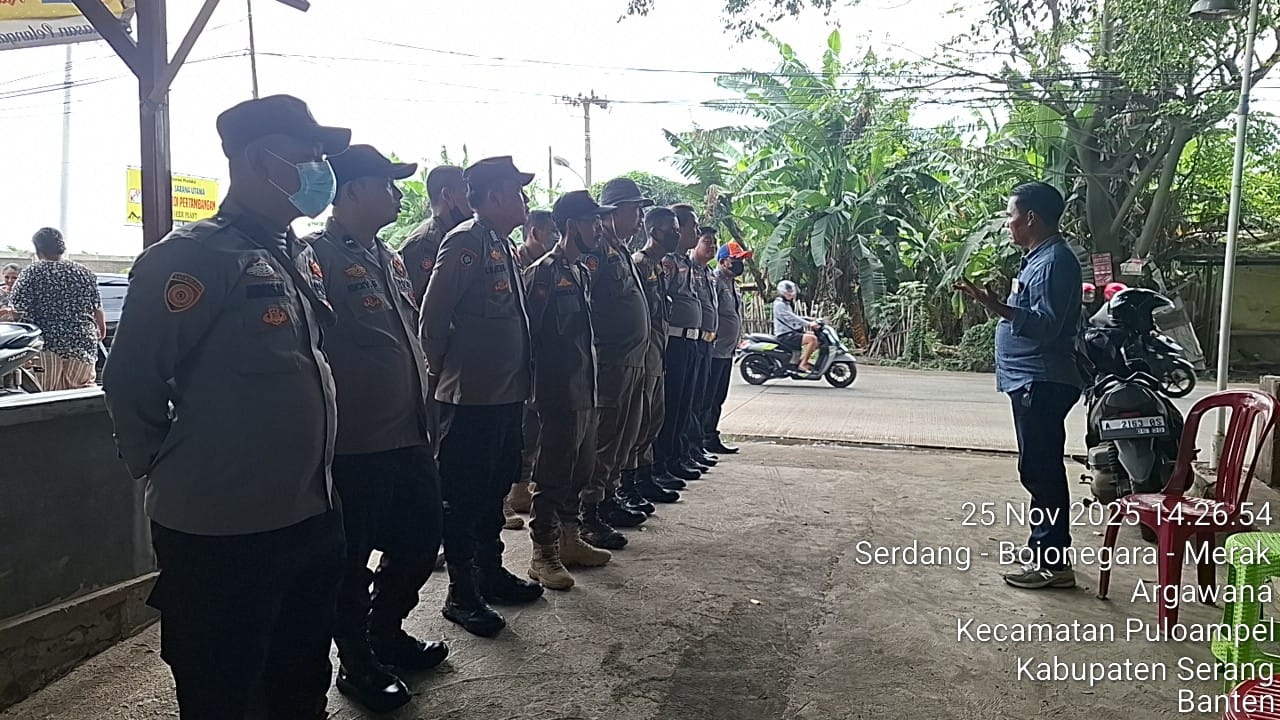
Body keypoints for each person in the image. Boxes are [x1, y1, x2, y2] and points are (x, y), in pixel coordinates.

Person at [101, 94, 350, 720]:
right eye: (308, 156)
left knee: (301, 674)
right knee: (223, 687)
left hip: (310, 510)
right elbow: (131, 381)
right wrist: (173, 468)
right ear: (257, 161)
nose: (321, 170)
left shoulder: (295, 253)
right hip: (222, 530)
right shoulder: (190, 257)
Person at [304, 145, 446, 713]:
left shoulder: (387, 256)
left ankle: (386, 630)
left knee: (421, 538)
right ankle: (356, 661)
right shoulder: (317, 257)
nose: (396, 194)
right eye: (386, 184)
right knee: (351, 558)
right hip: (357, 443)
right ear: (354, 190)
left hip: (408, 432)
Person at [419, 156, 544, 638]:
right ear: (493, 196)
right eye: (517, 191)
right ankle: (461, 592)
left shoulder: (502, 244)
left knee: (494, 489)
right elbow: (433, 316)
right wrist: (441, 373)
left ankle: (489, 572)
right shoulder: (466, 241)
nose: (525, 201)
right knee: (464, 495)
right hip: (470, 397)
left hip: (505, 394)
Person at [954, 181, 1082, 591]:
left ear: (1031, 218)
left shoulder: (1053, 262)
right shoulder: (1039, 259)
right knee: (1038, 469)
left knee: (1042, 472)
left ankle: (1053, 563)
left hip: (1041, 379)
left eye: (1010, 216)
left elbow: (1046, 326)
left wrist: (996, 307)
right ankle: (1046, 553)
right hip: (1031, 379)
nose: (1007, 224)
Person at [522, 190, 617, 589]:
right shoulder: (543, 273)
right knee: (552, 475)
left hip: (585, 391)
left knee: (581, 470)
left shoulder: (581, 272)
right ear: (573, 225)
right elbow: (528, 338)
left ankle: (570, 539)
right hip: (556, 394)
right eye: (593, 221)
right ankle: (543, 553)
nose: (599, 228)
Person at [577, 177, 655, 549]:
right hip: (611, 362)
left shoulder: (620, 250)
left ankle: (609, 498)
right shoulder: (597, 252)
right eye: (634, 210)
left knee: (625, 437)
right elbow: (587, 306)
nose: (639, 218)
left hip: (632, 361)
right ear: (613, 212)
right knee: (604, 438)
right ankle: (589, 513)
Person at [627, 208, 683, 504]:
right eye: (671, 229)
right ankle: (628, 483)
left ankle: (645, 475)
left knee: (654, 418)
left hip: (659, 349)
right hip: (643, 351)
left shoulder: (660, 267)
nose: (677, 233)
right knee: (639, 419)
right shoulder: (638, 263)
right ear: (654, 232)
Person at [506, 209, 559, 525]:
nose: (556, 238)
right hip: (515, 362)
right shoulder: (517, 261)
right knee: (518, 429)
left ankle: (521, 486)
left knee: (533, 427)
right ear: (535, 233)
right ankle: (508, 493)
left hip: (538, 362)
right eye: (552, 232)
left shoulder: (547, 266)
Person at [9, 228, 105, 391]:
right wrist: (100, 329)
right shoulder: (84, 272)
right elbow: (97, 308)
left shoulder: (31, 272)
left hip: (46, 347)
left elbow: (18, 309)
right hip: (82, 345)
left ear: (38, 249)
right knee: (82, 393)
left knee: (47, 393)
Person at [655, 204, 707, 484]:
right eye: (692, 227)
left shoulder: (687, 263)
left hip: (691, 341)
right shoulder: (668, 262)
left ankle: (679, 456)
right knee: (671, 405)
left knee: (685, 404)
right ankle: (662, 463)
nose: (696, 232)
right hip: (674, 340)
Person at [704, 240, 752, 455]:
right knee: (708, 398)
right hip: (715, 350)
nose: (739, 264)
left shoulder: (733, 285)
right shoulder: (715, 281)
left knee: (718, 398)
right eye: (735, 260)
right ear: (723, 262)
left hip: (727, 351)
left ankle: (711, 435)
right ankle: (702, 438)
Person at [401, 165, 469, 308]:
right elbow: (414, 306)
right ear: (447, 196)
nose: (472, 200)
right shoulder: (422, 244)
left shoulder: (464, 236)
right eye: (466, 191)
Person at [682, 227, 721, 472]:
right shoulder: (685, 267)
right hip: (690, 340)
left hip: (707, 342)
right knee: (687, 401)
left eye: (714, 242)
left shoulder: (708, 273)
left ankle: (694, 448)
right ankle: (683, 452)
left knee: (700, 399)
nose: (712, 246)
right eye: (707, 241)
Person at [772, 280, 819, 372]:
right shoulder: (780, 304)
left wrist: (809, 318)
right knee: (812, 339)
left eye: (791, 292)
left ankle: (799, 360)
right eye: (788, 292)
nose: (791, 294)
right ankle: (803, 364)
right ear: (782, 292)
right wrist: (808, 323)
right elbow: (791, 317)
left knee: (817, 339)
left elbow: (793, 316)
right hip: (785, 335)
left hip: (790, 332)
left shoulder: (785, 303)